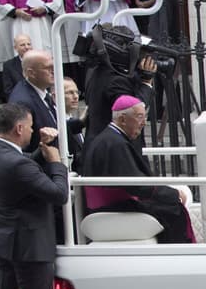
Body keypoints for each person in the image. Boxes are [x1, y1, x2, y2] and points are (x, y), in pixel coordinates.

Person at [0, 102, 67, 289]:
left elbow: (23, 175)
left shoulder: (8, 157)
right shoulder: (18, 164)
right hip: (30, 245)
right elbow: (58, 194)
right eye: (28, 126)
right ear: (19, 128)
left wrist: (40, 150)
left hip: (8, 242)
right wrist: (56, 163)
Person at [76, 96, 192, 244]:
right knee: (174, 208)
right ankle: (176, 256)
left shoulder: (110, 138)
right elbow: (137, 185)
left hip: (111, 203)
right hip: (114, 206)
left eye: (145, 117)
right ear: (123, 119)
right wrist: (173, 193)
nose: (144, 123)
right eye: (139, 117)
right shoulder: (115, 143)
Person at [6, 50, 57, 155]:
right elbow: (21, 147)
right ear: (31, 73)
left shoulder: (39, 89)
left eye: (54, 66)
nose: (54, 71)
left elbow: (53, 123)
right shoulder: (23, 102)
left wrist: (79, 123)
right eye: (48, 68)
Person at [2, 34, 33, 101]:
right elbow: (8, 90)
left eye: (29, 44)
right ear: (15, 48)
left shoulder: (41, 61)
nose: (27, 47)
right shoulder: (8, 65)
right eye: (22, 45)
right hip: (20, 102)